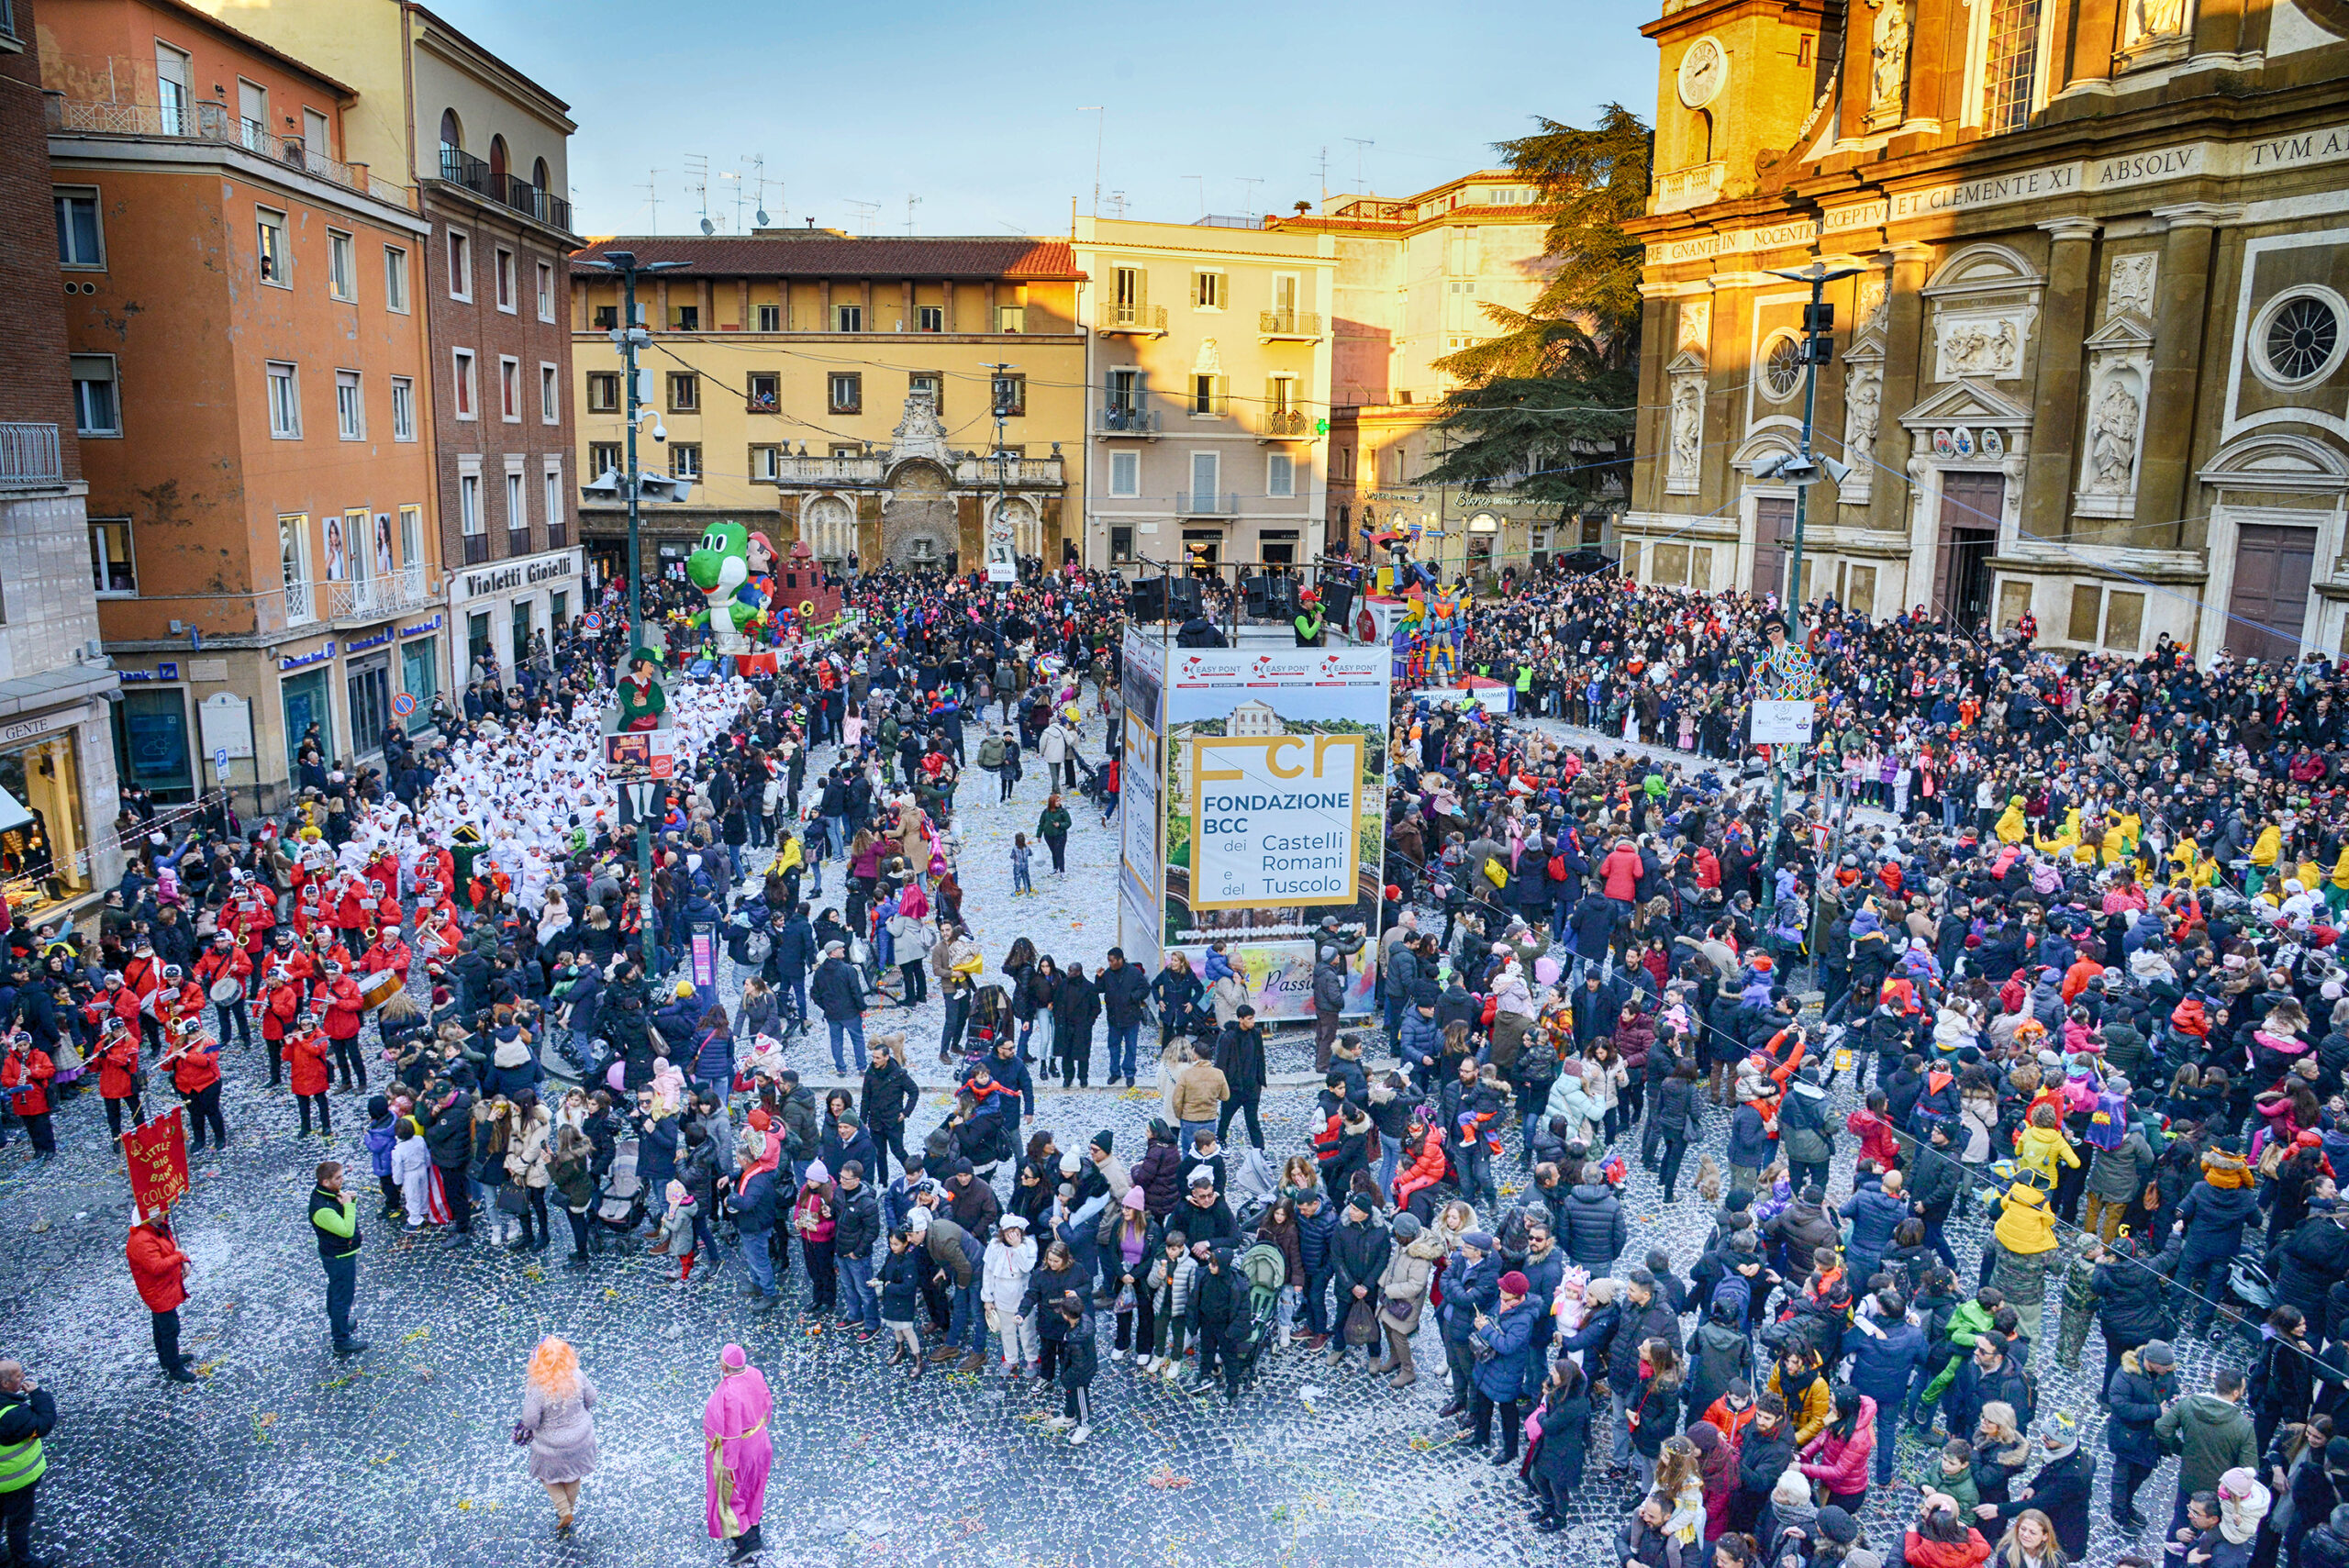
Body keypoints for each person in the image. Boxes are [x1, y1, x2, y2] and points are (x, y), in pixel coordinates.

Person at [519, 1335, 598, 1536]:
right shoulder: (577, 1374)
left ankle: (564, 1511)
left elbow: (530, 1421)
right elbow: (592, 1398)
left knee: (548, 1477)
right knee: (573, 1475)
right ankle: (569, 1510)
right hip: (581, 1440)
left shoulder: (538, 1389)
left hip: (550, 1448)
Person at [704, 1344, 773, 1562]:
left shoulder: (728, 1392)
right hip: (760, 1441)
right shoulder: (755, 1373)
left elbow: (731, 1433)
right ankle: (755, 1526)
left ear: (724, 1365)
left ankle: (748, 1543)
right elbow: (767, 1403)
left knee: (732, 1495)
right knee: (754, 1487)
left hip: (740, 1451)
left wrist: (728, 1465)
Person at [126, 1208, 197, 1383]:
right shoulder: (142, 1240)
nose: (166, 1211)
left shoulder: (159, 1228)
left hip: (164, 1288)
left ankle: (167, 1359)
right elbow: (156, 1267)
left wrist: (184, 1261)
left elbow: (173, 1247)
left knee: (161, 1326)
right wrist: (179, 1257)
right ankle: (174, 1367)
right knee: (170, 1328)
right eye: (161, 1210)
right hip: (157, 1291)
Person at [306, 1160, 367, 1354]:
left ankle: (339, 1324)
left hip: (338, 1254)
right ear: (325, 1182)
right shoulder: (322, 1208)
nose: (342, 1181)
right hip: (340, 1257)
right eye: (338, 1178)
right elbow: (347, 1231)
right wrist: (350, 1206)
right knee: (342, 1296)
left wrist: (350, 1201)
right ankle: (341, 1340)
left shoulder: (327, 1195)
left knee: (336, 1291)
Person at [0, 1360, 54, 1568]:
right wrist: (38, 1395)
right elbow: (43, 1424)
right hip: (14, 1482)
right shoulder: (12, 1415)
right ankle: (23, 1562)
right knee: (18, 1523)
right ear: (5, 1384)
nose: (23, 1377)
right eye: (18, 1375)